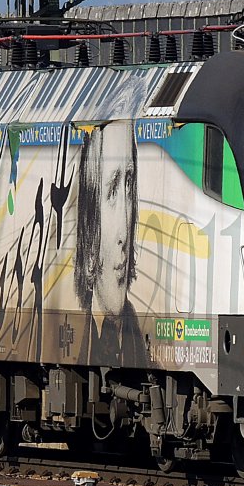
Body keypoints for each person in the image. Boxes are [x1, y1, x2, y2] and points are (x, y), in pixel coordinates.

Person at [74, 120, 147, 366]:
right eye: (112, 190)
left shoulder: (145, 352)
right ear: (89, 220)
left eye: (129, 184)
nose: (124, 230)